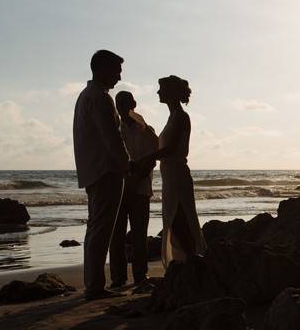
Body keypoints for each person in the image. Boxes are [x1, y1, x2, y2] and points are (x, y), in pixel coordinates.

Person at [72, 49, 130, 300]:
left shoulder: (88, 95)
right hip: (105, 170)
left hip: (94, 169)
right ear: (102, 70)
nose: (118, 78)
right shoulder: (99, 98)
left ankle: (93, 282)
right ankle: (94, 286)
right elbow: (111, 138)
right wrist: (127, 163)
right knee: (101, 229)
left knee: (96, 227)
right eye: (116, 72)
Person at [136, 75, 205, 266]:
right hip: (170, 175)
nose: (158, 92)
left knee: (179, 217)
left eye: (162, 89)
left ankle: (192, 257)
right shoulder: (172, 117)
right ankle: (189, 257)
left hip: (177, 174)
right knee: (176, 217)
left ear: (171, 92)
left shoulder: (181, 117)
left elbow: (170, 149)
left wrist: (145, 159)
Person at [110, 91, 158, 287]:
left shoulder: (146, 130)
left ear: (134, 104)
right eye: (119, 103)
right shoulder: (114, 129)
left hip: (141, 187)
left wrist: (136, 177)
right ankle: (118, 278)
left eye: (126, 103)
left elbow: (153, 157)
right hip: (120, 188)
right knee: (117, 236)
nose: (122, 107)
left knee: (139, 235)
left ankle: (140, 275)